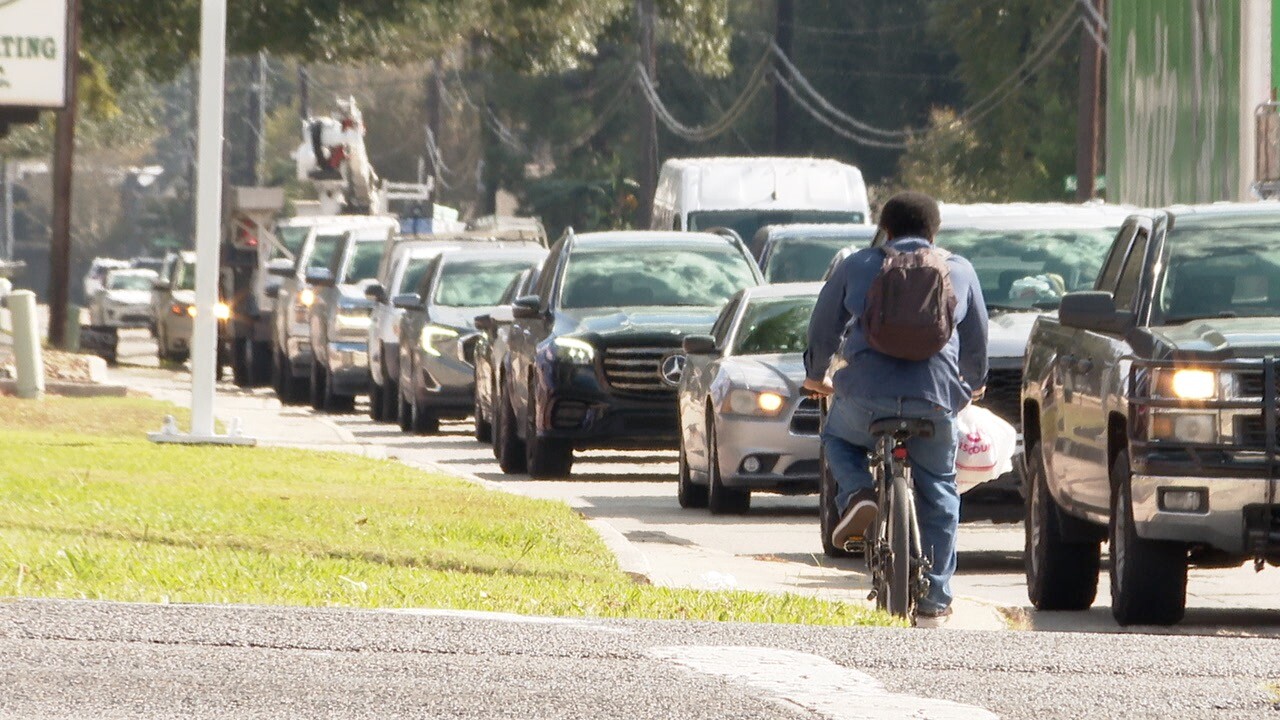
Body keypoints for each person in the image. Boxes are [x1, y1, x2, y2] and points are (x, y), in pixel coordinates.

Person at [803, 191, 988, 626]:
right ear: (934, 230)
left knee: (836, 438)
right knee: (940, 489)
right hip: (935, 398)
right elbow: (977, 338)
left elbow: (823, 325)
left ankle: (858, 494)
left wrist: (816, 374)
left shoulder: (856, 266)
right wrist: (973, 384)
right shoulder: (958, 270)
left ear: (884, 228)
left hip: (865, 399)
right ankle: (935, 602)